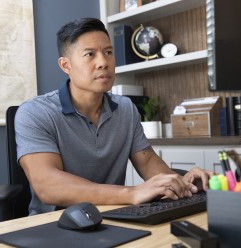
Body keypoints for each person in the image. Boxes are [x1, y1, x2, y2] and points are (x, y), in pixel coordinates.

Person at [15, 17, 213, 215]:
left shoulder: (125, 108)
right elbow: (48, 186)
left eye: (108, 52)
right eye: (89, 54)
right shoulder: (35, 112)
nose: (103, 62)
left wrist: (183, 183)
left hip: (113, 216)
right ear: (66, 66)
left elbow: (148, 162)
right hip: (54, 225)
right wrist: (132, 193)